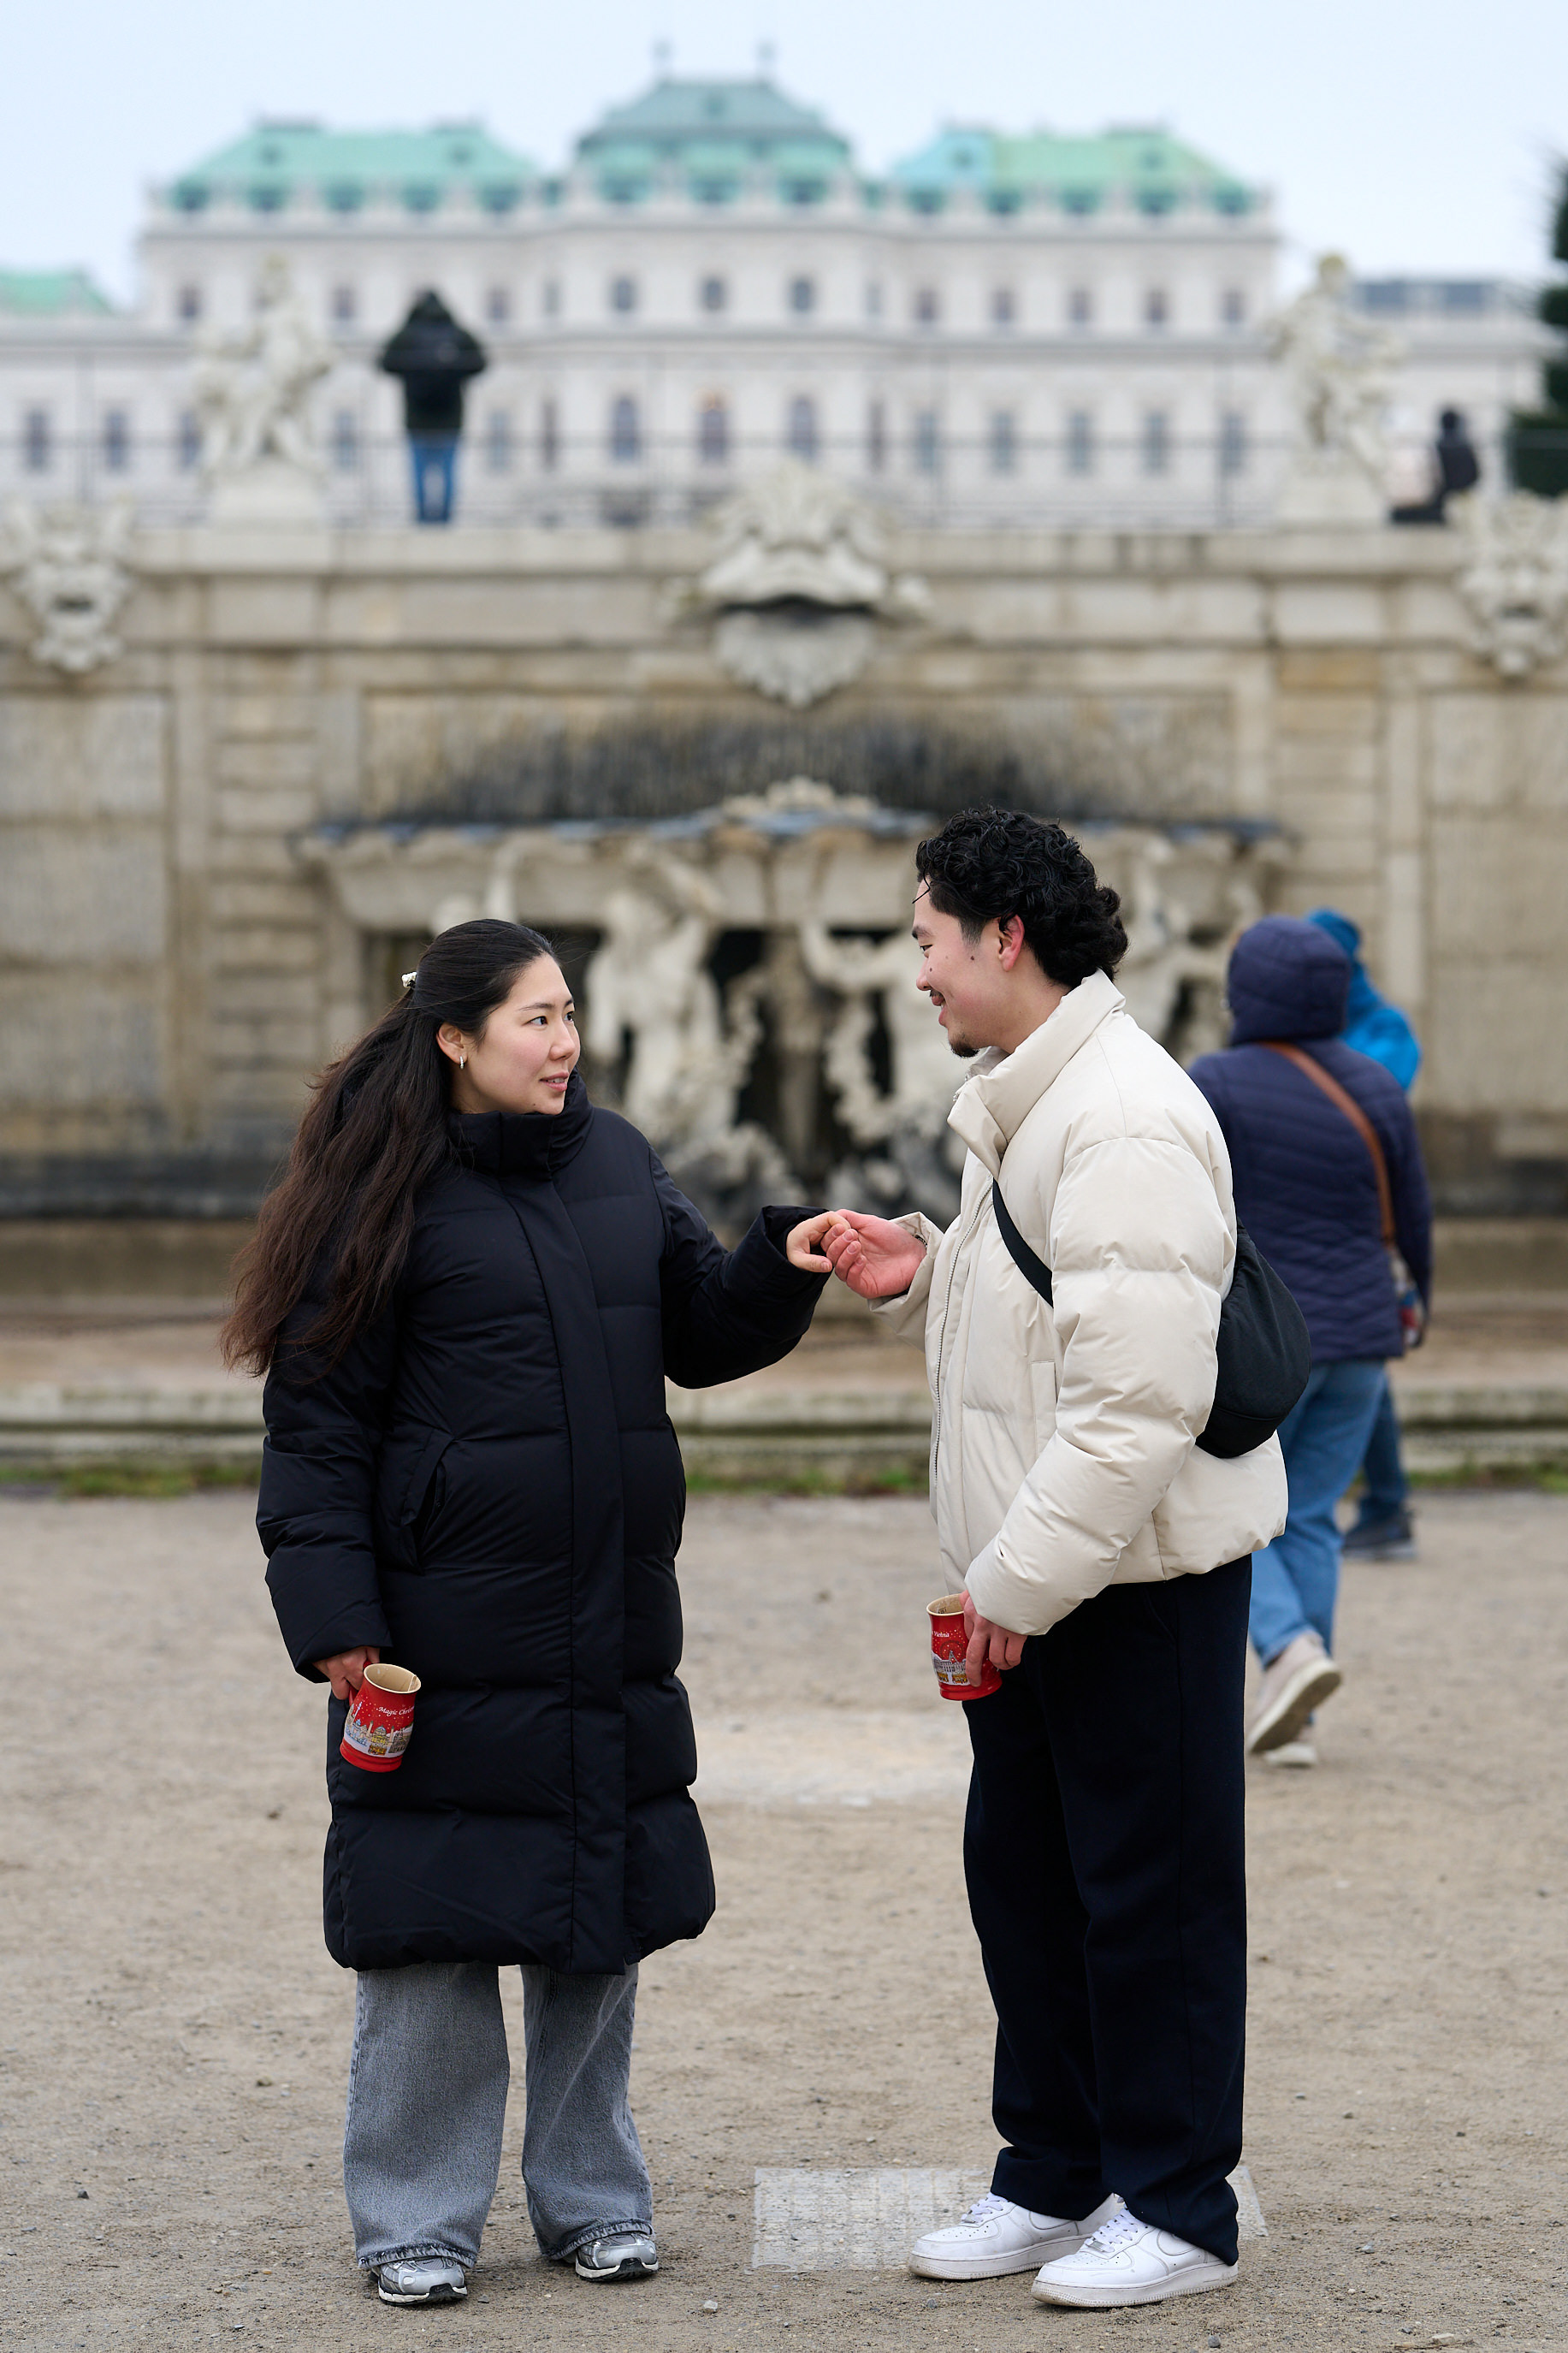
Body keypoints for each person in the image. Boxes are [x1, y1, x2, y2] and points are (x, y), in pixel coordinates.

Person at [222, 920, 832, 2308]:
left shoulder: (614, 1160)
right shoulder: (375, 1190)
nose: (563, 1043)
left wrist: (781, 1260)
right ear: (454, 1035)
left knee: (591, 1917)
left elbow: (698, 1325)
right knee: (428, 1925)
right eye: (534, 1020)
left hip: (607, 1613)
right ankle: (415, 2222)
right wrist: (335, 1616)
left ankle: (591, 2202)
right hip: (436, 1637)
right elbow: (315, 1429)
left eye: (569, 1015)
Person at [816, 809, 1287, 2314]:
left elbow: (1133, 1406)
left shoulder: (1122, 1113)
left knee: (1144, 1894)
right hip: (1053, 1570)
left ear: (999, 938)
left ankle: (1176, 2205)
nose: (916, 975)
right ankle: (1053, 2172)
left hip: (1124, 1582)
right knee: (1029, 1884)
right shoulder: (1040, 1095)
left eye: (923, 941)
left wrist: (1004, 1594)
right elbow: (1074, 1308)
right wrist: (931, 1264)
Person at [1189, 918, 1432, 1769]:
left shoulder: (1212, 1081)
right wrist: (1419, 1304)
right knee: (1315, 1518)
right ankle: (1297, 1711)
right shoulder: (1375, 1083)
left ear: (1243, 990)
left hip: (1265, 1343)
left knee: (1224, 1505)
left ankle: (1288, 1648)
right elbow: (1415, 1211)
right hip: (1365, 1335)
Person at [1307, 908, 1423, 1561]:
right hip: (1324, 1222)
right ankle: (1384, 1503)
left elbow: (1374, 1105)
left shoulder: (1383, 1028)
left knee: (1362, 1366)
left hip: (1355, 1222)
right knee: (1359, 1364)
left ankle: (1385, 1502)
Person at [378, 292, 488, 525]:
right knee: (448, 472)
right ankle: (445, 520)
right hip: (450, 417)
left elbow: (384, 362)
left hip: (417, 418)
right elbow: (481, 362)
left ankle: (423, 519)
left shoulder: (409, 335)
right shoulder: (456, 334)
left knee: (419, 472)